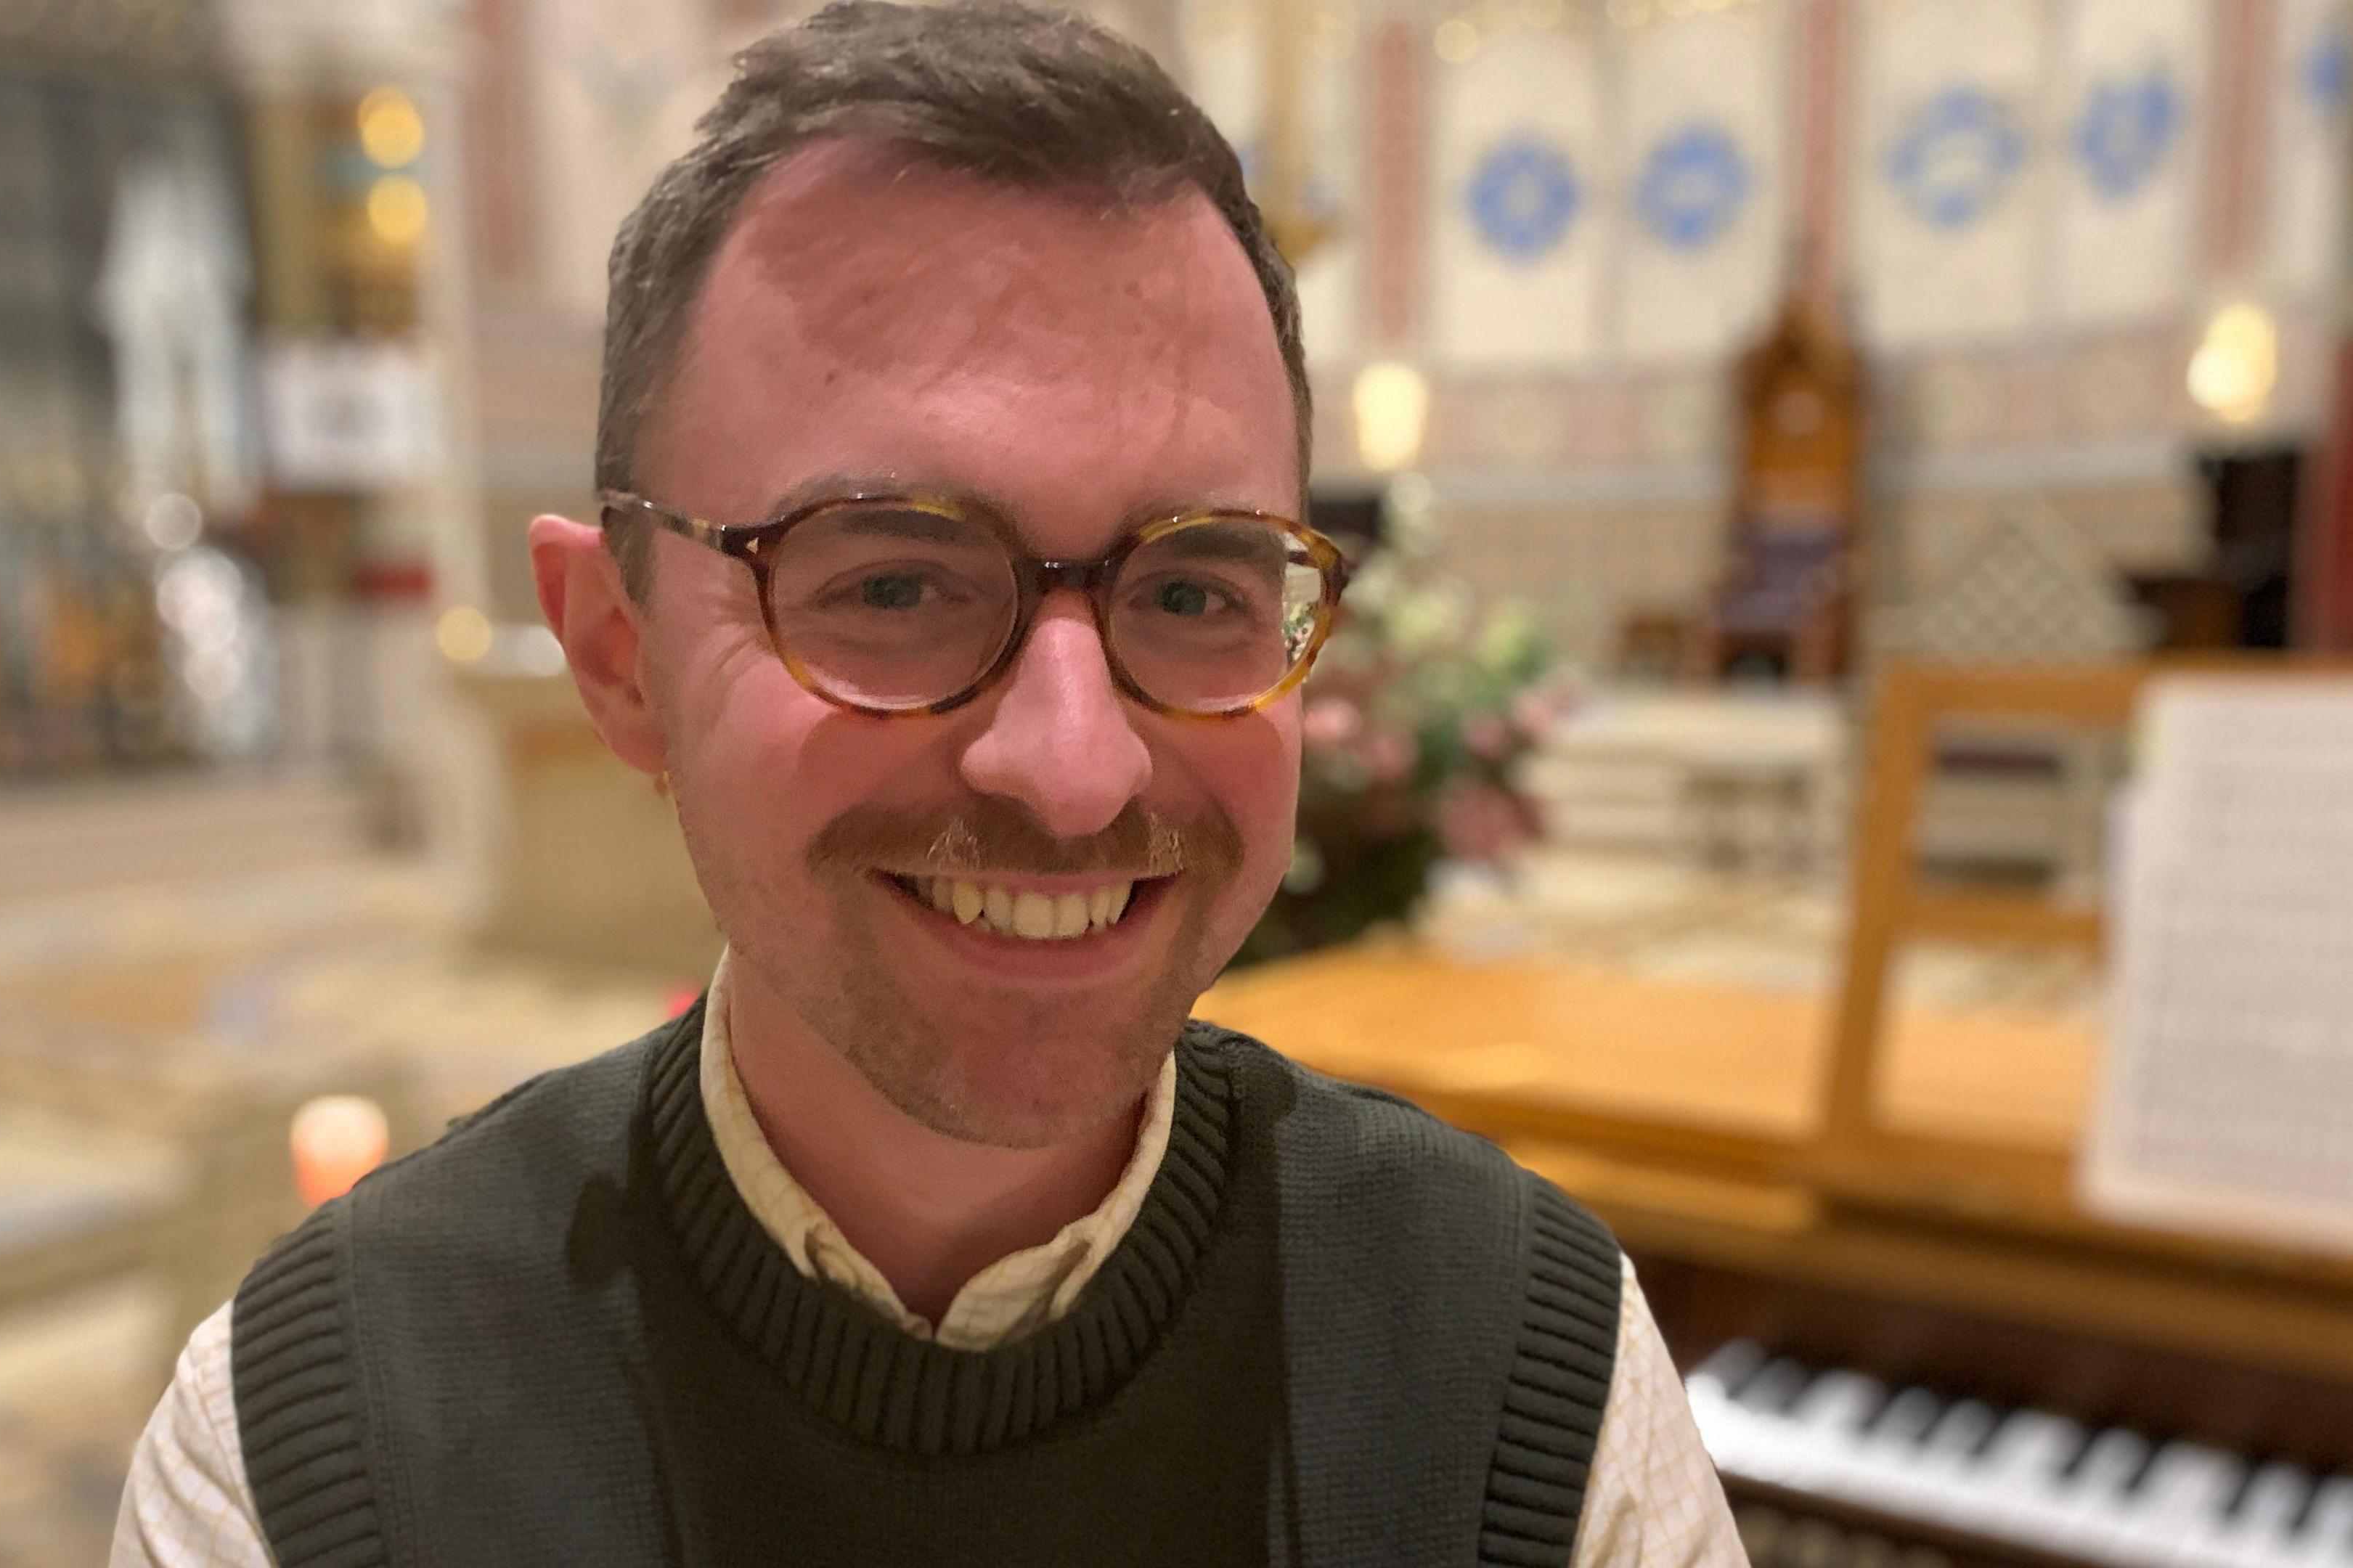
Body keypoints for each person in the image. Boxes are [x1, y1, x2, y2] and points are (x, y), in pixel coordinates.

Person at [113, 4, 1742, 1562]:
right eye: (891, 584)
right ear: (621, 656)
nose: (1074, 768)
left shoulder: (1523, 1355)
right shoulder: (309, 1446)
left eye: (1192, 592)